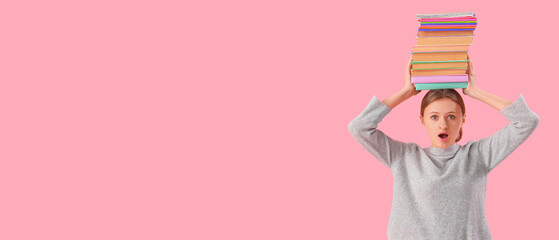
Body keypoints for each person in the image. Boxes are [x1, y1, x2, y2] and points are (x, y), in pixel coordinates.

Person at [348, 56, 540, 240]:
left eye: (451, 116)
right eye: (434, 117)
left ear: (463, 119)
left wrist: (474, 92)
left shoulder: (478, 156)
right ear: (422, 120)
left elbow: (526, 121)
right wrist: (406, 92)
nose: (443, 125)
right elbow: (359, 127)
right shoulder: (403, 157)